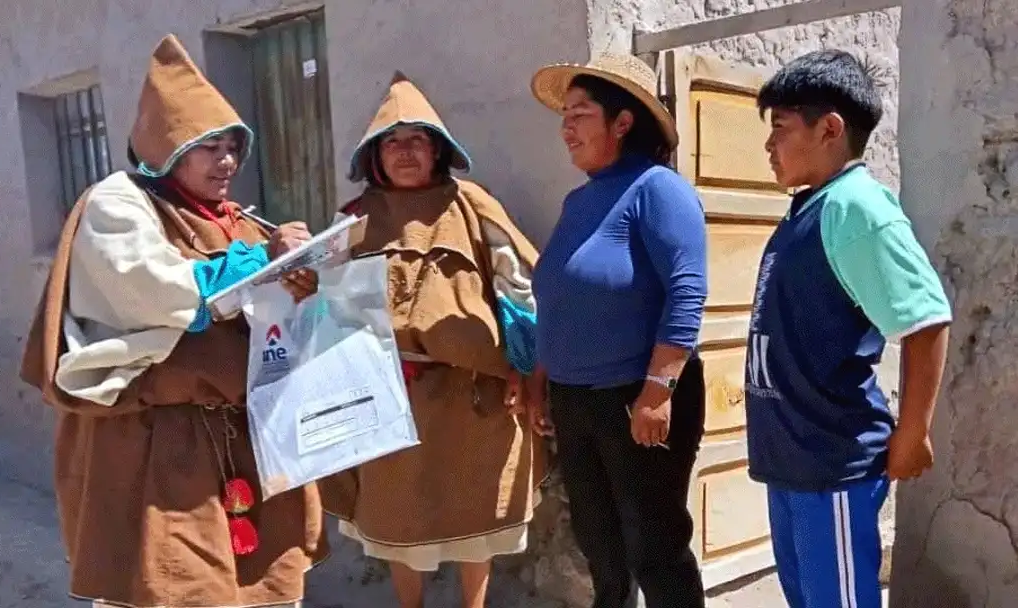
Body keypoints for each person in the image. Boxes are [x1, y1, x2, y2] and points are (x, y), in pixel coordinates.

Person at [19, 34, 328, 608]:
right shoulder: (118, 205)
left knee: (266, 588)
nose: (228, 161)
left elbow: (277, 318)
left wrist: (301, 274)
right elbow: (162, 294)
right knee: (172, 587)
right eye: (209, 147)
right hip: (159, 448)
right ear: (165, 145)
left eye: (233, 146)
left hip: (249, 442)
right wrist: (265, 261)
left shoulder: (239, 222)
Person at [316, 72, 546, 608]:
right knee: (398, 515)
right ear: (375, 153)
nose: (404, 151)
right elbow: (321, 302)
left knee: (477, 512)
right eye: (392, 141)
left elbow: (519, 291)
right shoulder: (353, 221)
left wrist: (522, 369)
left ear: (437, 149)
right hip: (389, 397)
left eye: (416, 140)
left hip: (477, 393)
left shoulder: (471, 205)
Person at [747, 49, 952, 608]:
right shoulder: (808, 209)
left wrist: (913, 431)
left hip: (830, 461)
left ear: (830, 129)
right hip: (793, 461)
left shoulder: (856, 207)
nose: (769, 145)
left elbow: (926, 319)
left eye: (781, 129)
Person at [528, 53, 708, 608]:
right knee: (601, 550)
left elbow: (687, 290)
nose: (566, 126)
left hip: (637, 396)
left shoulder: (657, 189)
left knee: (654, 548)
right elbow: (559, 300)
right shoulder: (579, 201)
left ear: (622, 122)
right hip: (575, 401)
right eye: (565, 114)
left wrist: (659, 391)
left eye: (580, 113)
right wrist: (541, 380)